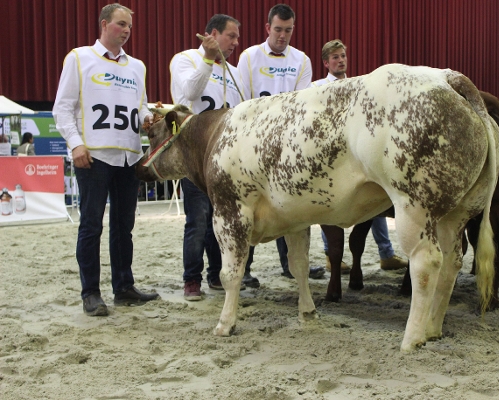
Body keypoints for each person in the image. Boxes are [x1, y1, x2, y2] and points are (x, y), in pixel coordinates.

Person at [53, 3, 159, 317]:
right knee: (90, 226)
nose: (126, 30)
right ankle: (90, 293)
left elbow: (139, 106)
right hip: (94, 156)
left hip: (129, 156)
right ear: (104, 24)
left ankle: (124, 287)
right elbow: (63, 108)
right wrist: (75, 144)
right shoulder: (79, 57)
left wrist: (148, 118)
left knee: (123, 227)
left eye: (129, 26)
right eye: (120, 24)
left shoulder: (137, 66)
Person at [237, 3, 324, 282]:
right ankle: (244, 268)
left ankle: (292, 265)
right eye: (278, 29)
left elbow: (302, 106)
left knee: (291, 206)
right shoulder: (249, 57)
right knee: (249, 206)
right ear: (267, 28)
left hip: (288, 146)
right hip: (254, 143)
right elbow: (243, 102)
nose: (283, 35)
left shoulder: (302, 60)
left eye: (288, 30)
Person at [170, 14, 249, 299]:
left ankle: (216, 273)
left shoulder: (235, 71)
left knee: (223, 216)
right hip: (196, 155)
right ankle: (191, 279)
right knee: (198, 219)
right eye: (231, 36)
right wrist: (207, 58)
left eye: (237, 38)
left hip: (226, 156)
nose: (236, 43)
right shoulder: (185, 59)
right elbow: (187, 93)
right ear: (213, 34)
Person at [311, 39, 408, 272]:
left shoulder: (360, 85)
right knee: (328, 207)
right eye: (335, 57)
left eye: (343, 55)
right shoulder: (316, 88)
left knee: (375, 200)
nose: (341, 60)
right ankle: (332, 257)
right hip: (332, 156)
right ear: (326, 62)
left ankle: (386, 254)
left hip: (356, 152)